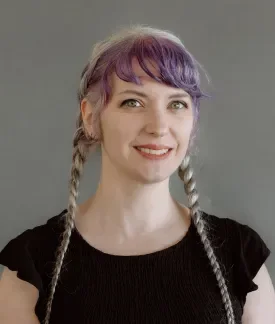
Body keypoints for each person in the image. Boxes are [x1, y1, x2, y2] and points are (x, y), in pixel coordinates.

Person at [0, 24, 274, 324]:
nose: (158, 125)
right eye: (133, 102)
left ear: (191, 122)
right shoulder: (31, 268)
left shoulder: (240, 257)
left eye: (177, 104)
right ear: (91, 118)